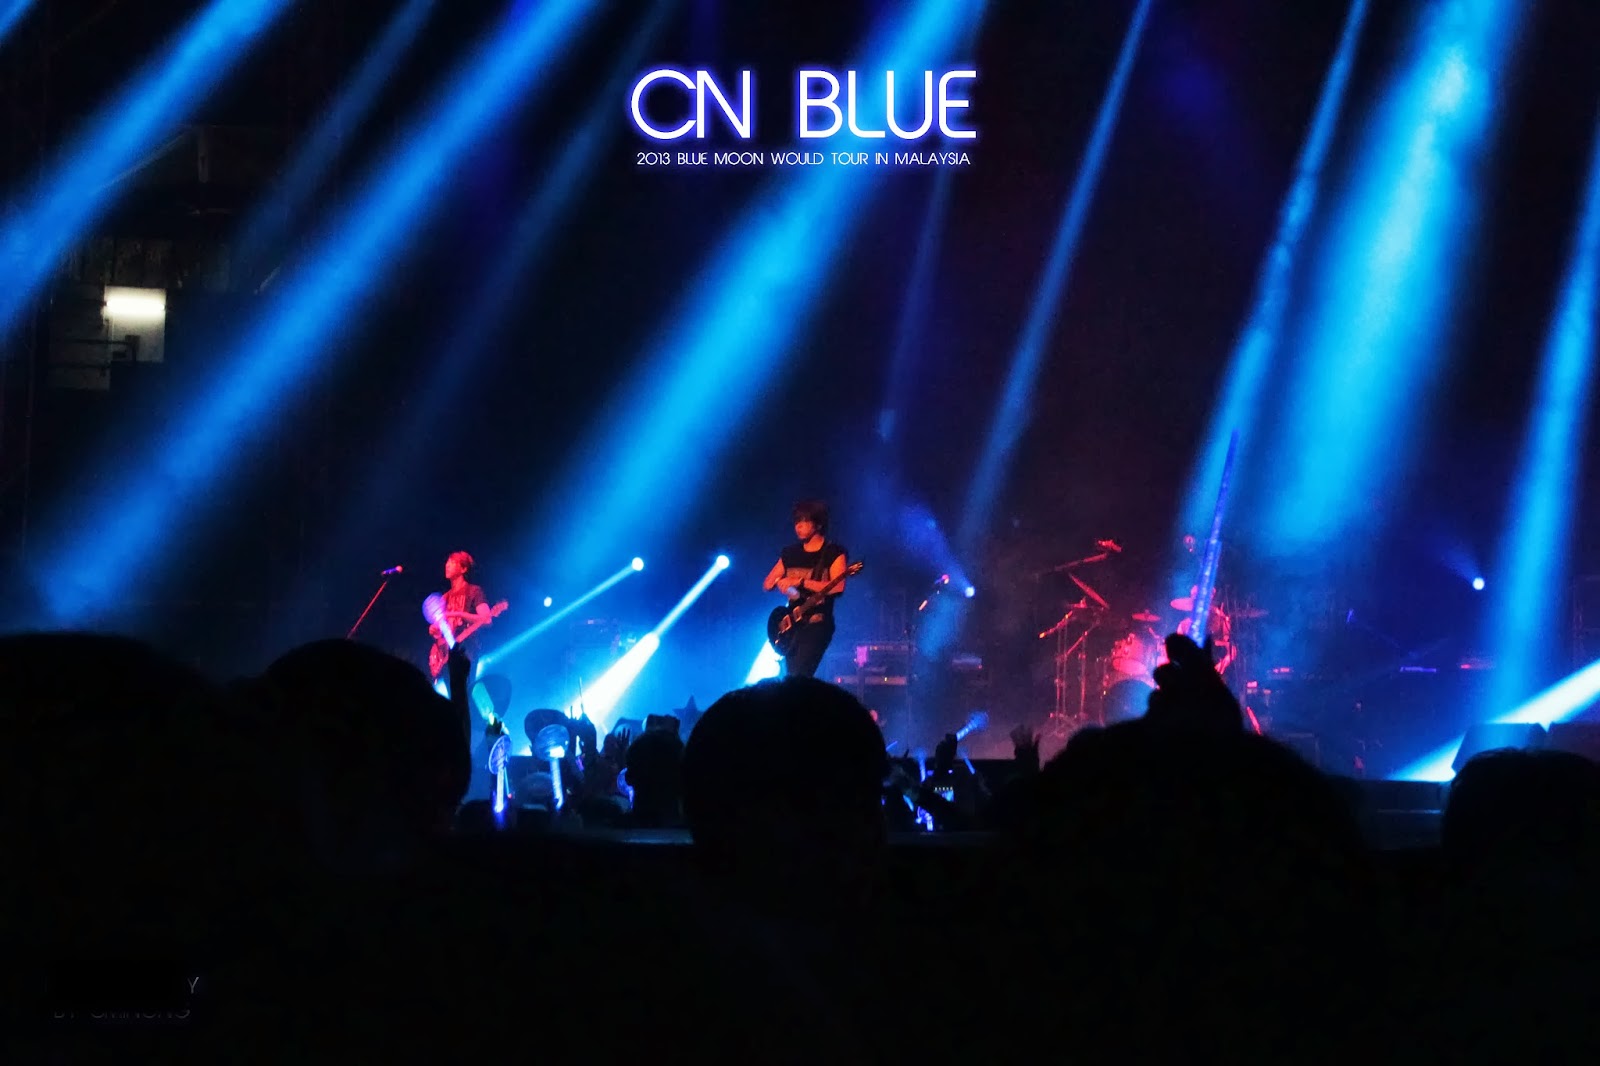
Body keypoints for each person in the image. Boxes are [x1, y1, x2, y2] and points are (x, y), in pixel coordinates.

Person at [763, 500, 848, 679]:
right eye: (796, 522)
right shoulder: (790, 553)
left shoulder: (834, 552)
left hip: (818, 623)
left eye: (804, 521)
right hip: (792, 626)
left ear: (818, 524)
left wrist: (800, 582)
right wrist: (780, 582)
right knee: (792, 678)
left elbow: (837, 586)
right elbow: (768, 583)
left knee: (799, 675)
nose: (798, 526)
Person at [431, 551, 494, 661]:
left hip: (468, 652)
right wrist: (434, 630)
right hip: (449, 655)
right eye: (447, 562)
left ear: (463, 569)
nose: (447, 565)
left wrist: (458, 614)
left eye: (452, 562)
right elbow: (441, 631)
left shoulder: (474, 591)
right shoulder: (445, 598)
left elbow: (487, 619)